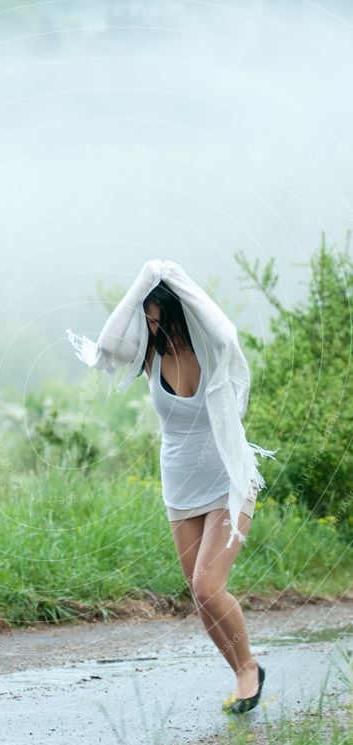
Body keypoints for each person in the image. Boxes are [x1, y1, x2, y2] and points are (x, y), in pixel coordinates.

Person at [141, 281, 265, 715]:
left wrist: (174, 278)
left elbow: (226, 330)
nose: (152, 326)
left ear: (182, 314)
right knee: (199, 595)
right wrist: (148, 276)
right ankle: (243, 672)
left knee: (208, 586)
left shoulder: (216, 349)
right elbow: (109, 340)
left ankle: (248, 670)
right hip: (180, 487)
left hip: (228, 478)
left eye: (159, 317)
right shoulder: (148, 353)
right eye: (148, 317)